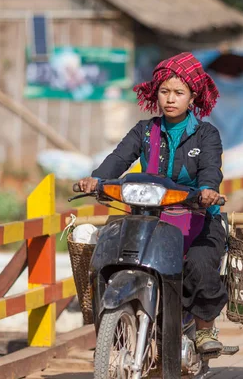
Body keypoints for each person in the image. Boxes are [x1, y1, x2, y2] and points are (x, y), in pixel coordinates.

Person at [76, 52, 228, 353]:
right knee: (112, 252)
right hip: (149, 217)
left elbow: (211, 168)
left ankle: (204, 329)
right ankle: (116, 320)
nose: (170, 99)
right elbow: (119, 158)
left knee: (198, 263)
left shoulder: (206, 134)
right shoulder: (144, 131)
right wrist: (95, 180)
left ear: (192, 96)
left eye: (178, 93)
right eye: (164, 91)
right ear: (156, 93)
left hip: (197, 216)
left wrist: (208, 189)